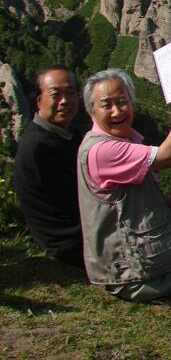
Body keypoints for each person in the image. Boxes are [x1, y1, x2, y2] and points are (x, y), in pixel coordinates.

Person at [77, 68, 171, 302]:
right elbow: (168, 156)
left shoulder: (112, 142)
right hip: (135, 276)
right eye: (107, 105)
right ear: (91, 110)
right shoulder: (103, 151)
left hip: (144, 250)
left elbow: (150, 197)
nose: (117, 111)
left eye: (122, 101)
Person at [13, 66, 84, 266]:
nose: (65, 101)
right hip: (72, 243)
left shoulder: (62, 135)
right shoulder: (39, 147)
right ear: (38, 101)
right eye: (55, 94)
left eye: (70, 93)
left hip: (79, 235)